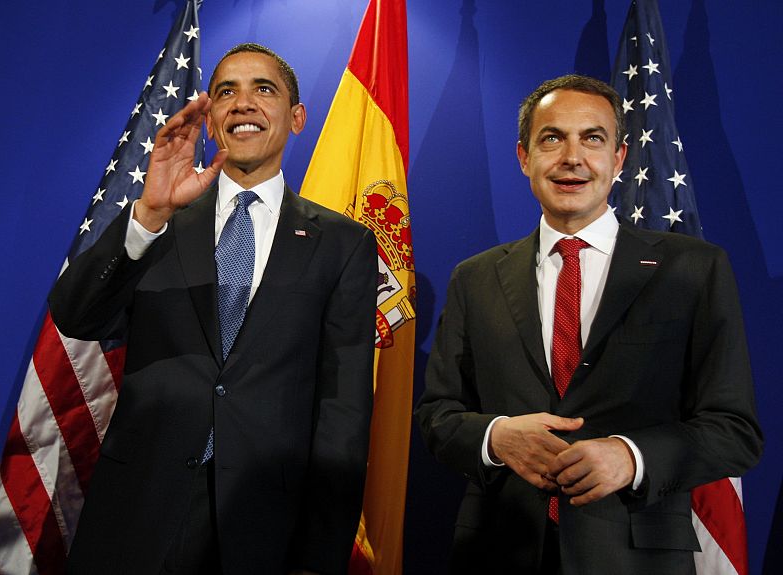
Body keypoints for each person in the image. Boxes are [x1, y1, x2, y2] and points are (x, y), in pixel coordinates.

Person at [50, 43, 378, 575]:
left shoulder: (343, 244)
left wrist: (318, 556)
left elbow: (343, 408)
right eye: (226, 92)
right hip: (137, 511)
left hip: (262, 521)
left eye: (263, 90)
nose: (243, 103)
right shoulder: (162, 217)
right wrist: (149, 214)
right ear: (210, 120)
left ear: (297, 119)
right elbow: (77, 317)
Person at [415, 74, 762, 574]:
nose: (571, 157)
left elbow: (735, 430)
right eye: (552, 138)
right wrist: (497, 437)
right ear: (523, 157)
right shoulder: (475, 278)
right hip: (499, 549)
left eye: (592, 138)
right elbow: (437, 416)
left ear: (619, 159)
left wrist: (631, 456)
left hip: (638, 555)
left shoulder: (693, 269)